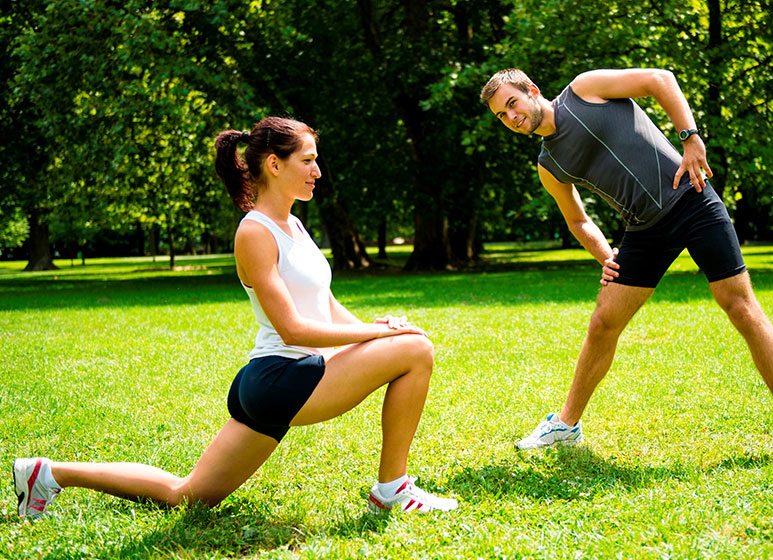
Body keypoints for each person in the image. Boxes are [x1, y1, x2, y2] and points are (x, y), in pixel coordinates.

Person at [14, 116, 458, 519]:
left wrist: (379, 329)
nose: (317, 172)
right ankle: (392, 489)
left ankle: (48, 473)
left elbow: (323, 305)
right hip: (285, 376)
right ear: (274, 164)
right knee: (416, 350)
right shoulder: (255, 231)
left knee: (186, 495)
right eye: (308, 160)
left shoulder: (294, 225)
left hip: (277, 382)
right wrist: (386, 337)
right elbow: (293, 329)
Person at [480, 68, 773, 464]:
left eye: (512, 104)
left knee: (740, 306)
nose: (512, 117)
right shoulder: (549, 164)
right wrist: (607, 257)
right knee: (603, 323)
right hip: (643, 229)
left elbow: (661, 79)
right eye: (502, 115)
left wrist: (690, 139)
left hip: (691, 199)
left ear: (532, 91)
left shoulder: (584, 90)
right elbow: (578, 220)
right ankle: (566, 425)